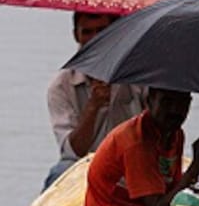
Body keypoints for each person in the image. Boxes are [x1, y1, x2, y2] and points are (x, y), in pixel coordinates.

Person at [82, 87, 199, 206]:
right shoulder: (136, 142)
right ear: (149, 100)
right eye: (167, 102)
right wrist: (194, 170)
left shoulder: (175, 134)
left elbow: (173, 195)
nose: (175, 111)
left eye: (182, 103)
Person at [43, 11, 146, 189]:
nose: (94, 39)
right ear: (76, 35)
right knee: (59, 173)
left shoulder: (137, 75)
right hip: (83, 165)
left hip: (132, 161)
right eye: (87, 32)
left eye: (101, 31)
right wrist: (94, 105)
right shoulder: (61, 85)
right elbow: (72, 151)